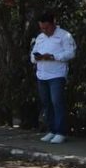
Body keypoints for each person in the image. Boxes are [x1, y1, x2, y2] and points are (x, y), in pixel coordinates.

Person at [31, 12, 76, 143]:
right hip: (42, 74)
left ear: (53, 24)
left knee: (57, 102)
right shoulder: (40, 37)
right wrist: (36, 57)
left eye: (47, 28)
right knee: (46, 103)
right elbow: (32, 56)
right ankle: (52, 130)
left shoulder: (64, 36)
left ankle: (61, 132)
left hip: (57, 74)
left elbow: (71, 53)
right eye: (42, 28)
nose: (44, 30)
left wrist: (53, 56)